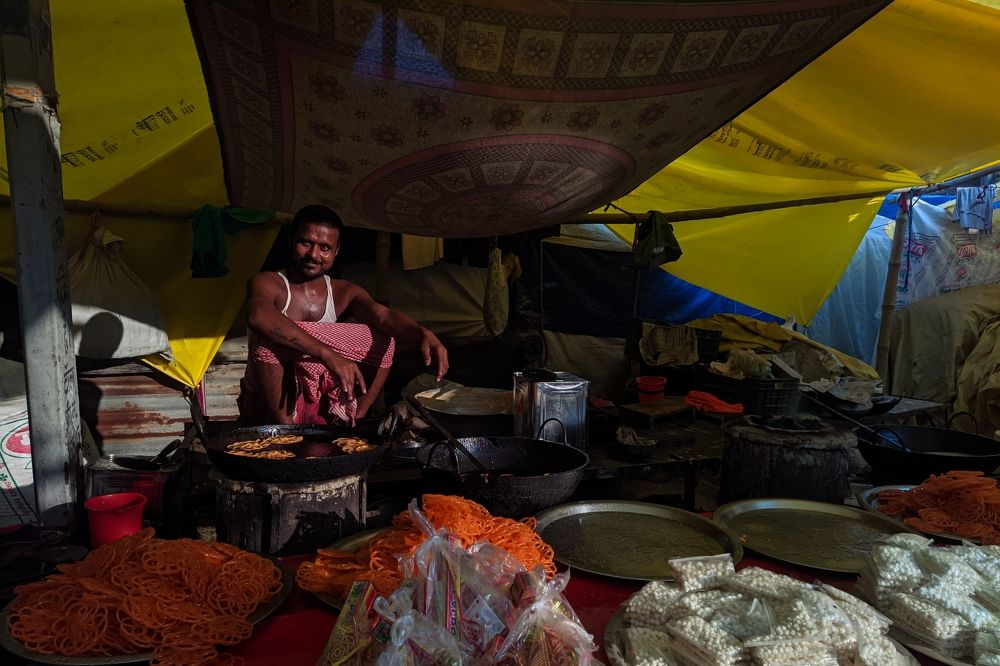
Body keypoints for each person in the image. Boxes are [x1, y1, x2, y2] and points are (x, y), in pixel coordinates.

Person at [238, 205, 448, 426]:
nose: (313, 254)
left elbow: (383, 316)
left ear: (336, 251)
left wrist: (422, 332)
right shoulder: (268, 282)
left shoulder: (344, 292)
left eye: (325, 247)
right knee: (267, 335)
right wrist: (328, 354)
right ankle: (285, 432)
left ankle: (353, 422)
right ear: (291, 241)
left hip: (318, 402)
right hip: (268, 407)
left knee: (384, 339)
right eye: (306, 242)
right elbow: (258, 317)